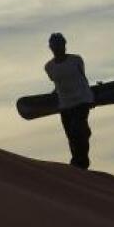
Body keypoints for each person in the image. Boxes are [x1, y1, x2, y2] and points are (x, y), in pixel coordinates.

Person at [44, 33, 94, 169]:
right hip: (65, 105)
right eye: (54, 45)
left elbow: (83, 78)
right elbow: (58, 83)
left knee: (77, 130)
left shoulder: (76, 60)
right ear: (50, 47)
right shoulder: (49, 67)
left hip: (82, 100)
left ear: (65, 45)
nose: (58, 48)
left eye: (60, 44)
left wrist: (91, 98)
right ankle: (78, 162)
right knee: (72, 135)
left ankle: (80, 163)